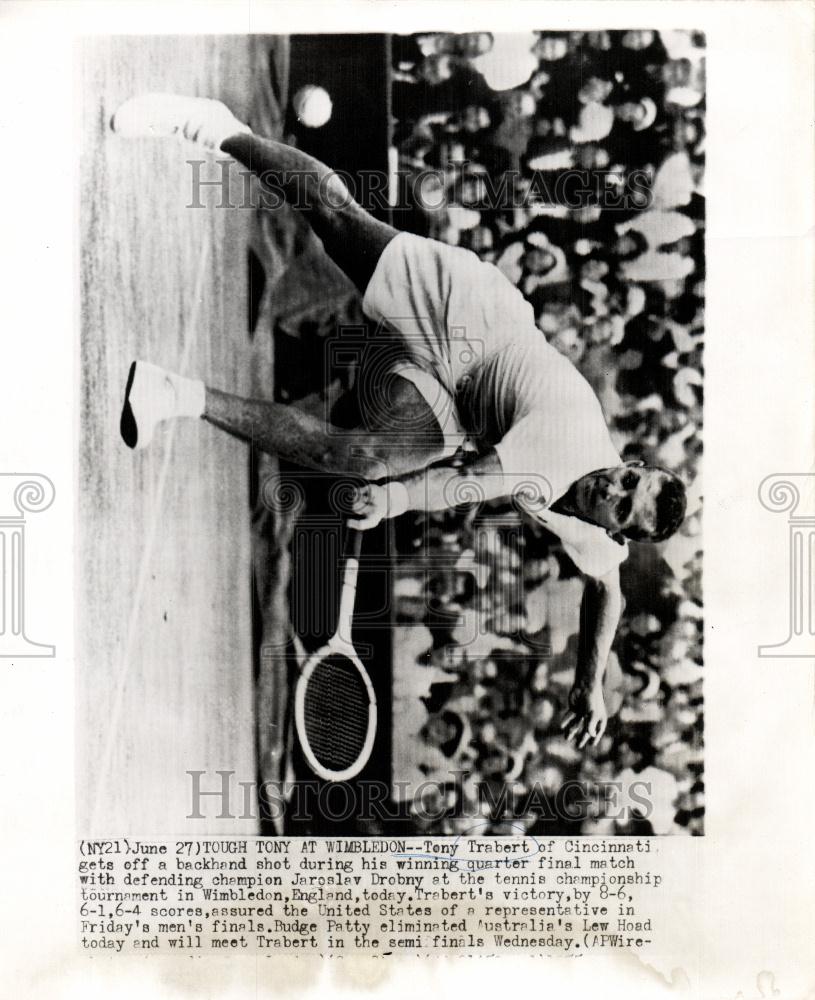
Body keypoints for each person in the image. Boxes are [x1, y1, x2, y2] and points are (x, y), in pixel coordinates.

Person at [111, 93, 687, 751]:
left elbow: (604, 589)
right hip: (469, 318)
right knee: (335, 220)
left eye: (621, 506)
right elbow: (473, 482)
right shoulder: (566, 444)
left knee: (359, 457)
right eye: (623, 481)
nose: (610, 491)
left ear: (619, 528)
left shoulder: (602, 539)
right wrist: (398, 500)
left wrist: (590, 683)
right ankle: (214, 129)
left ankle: (174, 394)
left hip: (461, 404)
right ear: (630, 465)